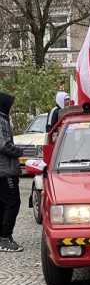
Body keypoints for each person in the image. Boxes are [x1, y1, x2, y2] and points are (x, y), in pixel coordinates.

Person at [0, 92, 24, 252]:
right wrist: (19, 151)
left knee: (2, 204)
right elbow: (3, 145)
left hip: (4, 170)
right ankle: (4, 238)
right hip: (5, 170)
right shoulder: (1, 120)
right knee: (13, 203)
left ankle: (2, 237)